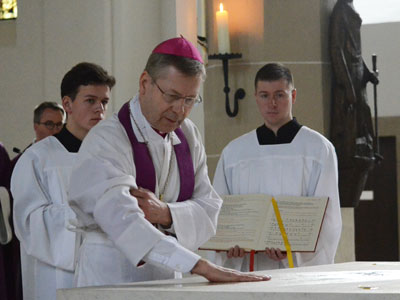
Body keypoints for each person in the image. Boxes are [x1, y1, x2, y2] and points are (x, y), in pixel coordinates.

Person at [68, 37, 270, 287]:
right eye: (172, 96)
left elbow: (209, 207)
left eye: (189, 100)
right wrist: (198, 265)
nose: (180, 110)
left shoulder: (187, 134)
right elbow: (122, 217)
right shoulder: (108, 139)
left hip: (169, 273)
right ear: (144, 84)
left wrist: (167, 214)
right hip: (112, 274)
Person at [211, 63, 342, 271]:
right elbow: (218, 208)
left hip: (296, 272)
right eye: (264, 95)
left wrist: (294, 249)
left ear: (294, 95)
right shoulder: (235, 152)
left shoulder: (317, 149)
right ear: (255, 97)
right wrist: (229, 247)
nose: (271, 103)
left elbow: (329, 216)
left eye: (280, 95)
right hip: (248, 269)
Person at [11, 62, 115, 300]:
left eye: (104, 102)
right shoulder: (37, 158)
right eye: (90, 100)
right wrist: (90, 213)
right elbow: (29, 223)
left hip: (106, 274)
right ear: (67, 104)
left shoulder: (112, 155)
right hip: (57, 276)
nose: (99, 109)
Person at [329, 0, 379, 207]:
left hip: (357, 76)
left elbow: (356, 50)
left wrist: (367, 73)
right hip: (348, 79)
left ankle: (367, 149)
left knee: (365, 115)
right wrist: (347, 86)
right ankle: (351, 155)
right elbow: (337, 49)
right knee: (350, 123)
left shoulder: (351, 9)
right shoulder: (341, 9)